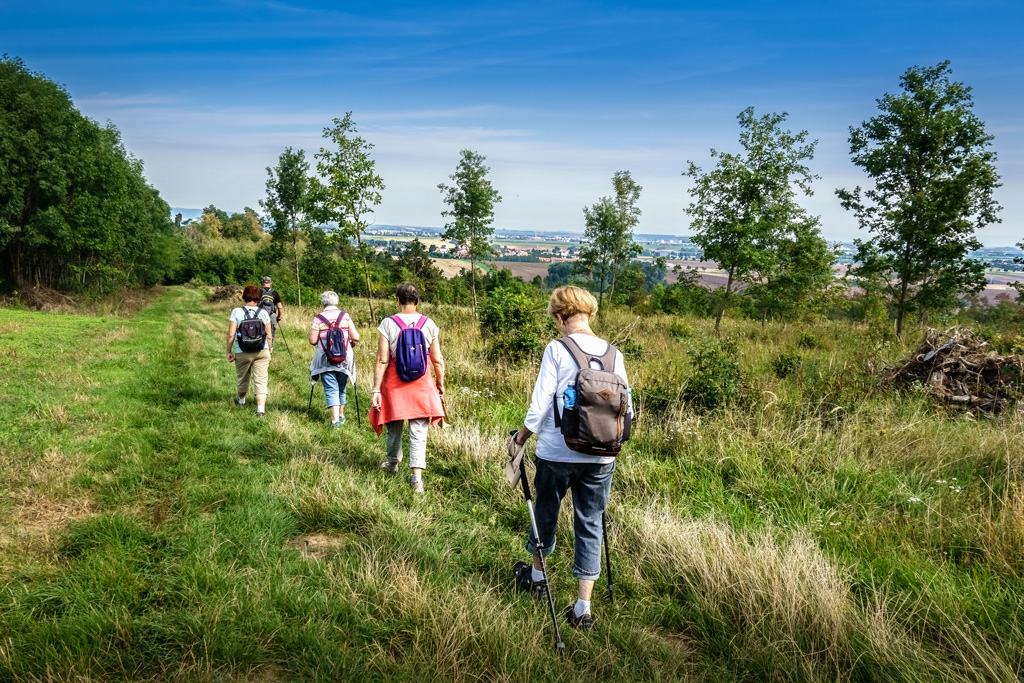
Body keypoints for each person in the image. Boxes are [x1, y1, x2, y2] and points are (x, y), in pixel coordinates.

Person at [506, 285, 633, 631]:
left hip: (557, 452)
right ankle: (582, 609)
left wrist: (519, 439)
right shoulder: (614, 354)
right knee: (590, 524)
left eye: (556, 320)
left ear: (561, 318)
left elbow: (540, 405)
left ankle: (536, 579)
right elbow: (627, 409)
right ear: (588, 315)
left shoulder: (557, 348)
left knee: (545, 513)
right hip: (602, 456)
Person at [369, 282, 445, 493]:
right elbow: (437, 359)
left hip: (394, 382)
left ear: (398, 301)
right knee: (419, 430)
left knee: (394, 427)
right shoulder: (429, 323)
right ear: (417, 301)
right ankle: (417, 478)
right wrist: (440, 384)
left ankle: (392, 464)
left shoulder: (388, 323)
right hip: (421, 384)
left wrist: (376, 388)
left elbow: (382, 360)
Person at [309, 291, 360, 427]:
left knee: (331, 388)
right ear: (337, 302)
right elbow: (356, 337)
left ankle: (335, 421)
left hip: (326, 358)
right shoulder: (345, 316)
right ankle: (341, 415)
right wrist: (349, 346)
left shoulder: (318, 318)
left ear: (323, 303)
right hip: (344, 358)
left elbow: (313, 340)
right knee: (341, 386)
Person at [227, 284, 274, 416]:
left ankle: (241, 400)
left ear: (244, 297)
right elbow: (269, 335)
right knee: (261, 379)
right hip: (261, 350)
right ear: (258, 297)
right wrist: (269, 348)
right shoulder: (264, 313)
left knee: (243, 377)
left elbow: (231, 334)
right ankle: (260, 409)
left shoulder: (236, 312)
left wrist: (229, 351)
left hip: (242, 351)